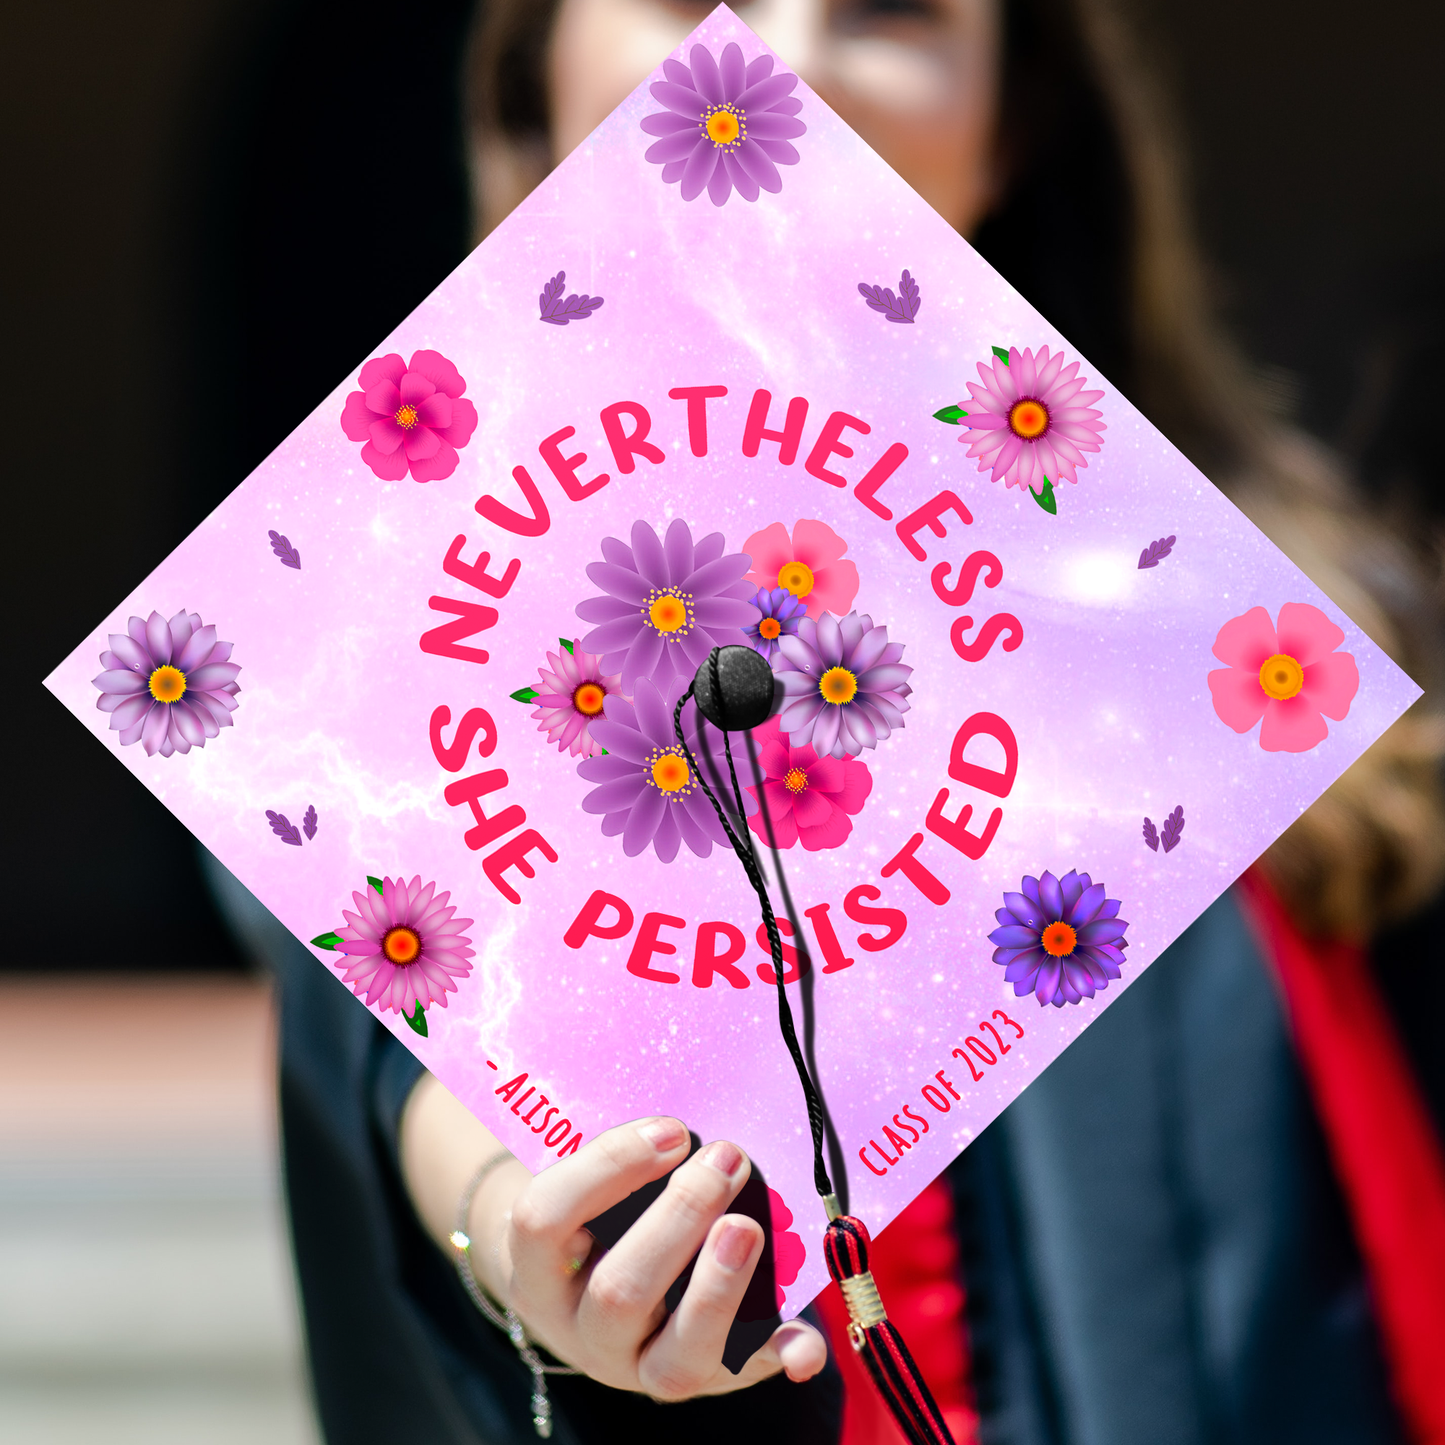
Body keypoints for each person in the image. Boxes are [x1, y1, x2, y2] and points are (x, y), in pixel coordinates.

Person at [205, 1, 1445, 1441]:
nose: (776, 63)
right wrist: (518, 1224)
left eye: (889, 9)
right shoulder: (371, 652)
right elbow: (388, 1035)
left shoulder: (1260, 645)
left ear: (1016, 120)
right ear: (535, 83)